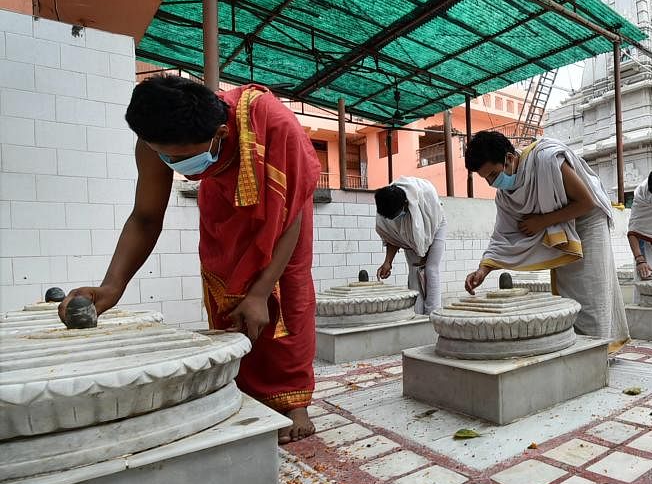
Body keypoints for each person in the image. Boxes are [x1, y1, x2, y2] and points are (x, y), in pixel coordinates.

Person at [62, 76, 321, 441]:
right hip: (222, 209)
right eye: (168, 156)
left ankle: (295, 401)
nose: (176, 164)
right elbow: (145, 216)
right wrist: (112, 286)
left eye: (183, 157)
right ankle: (244, 387)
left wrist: (262, 290)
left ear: (219, 132)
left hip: (284, 213)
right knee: (230, 303)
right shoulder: (155, 140)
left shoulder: (273, 123)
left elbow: (292, 216)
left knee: (286, 298)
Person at [462, 130, 629, 352]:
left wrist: (542, 222)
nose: (493, 182)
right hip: (556, 226)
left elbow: (586, 202)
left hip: (588, 219)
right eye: (487, 179)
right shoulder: (505, 195)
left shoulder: (546, 159)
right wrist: (483, 270)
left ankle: (597, 354)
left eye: (493, 174)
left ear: (509, 158)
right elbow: (503, 236)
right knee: (570, 293)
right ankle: (578, 350)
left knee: (592, 291)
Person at [374, 177, 447, 313]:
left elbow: (429, 227)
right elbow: (393, 236)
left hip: (436, 225)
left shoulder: (426, 194)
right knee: (414, 272)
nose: (394, 219)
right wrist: (387, 262)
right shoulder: (386, 205)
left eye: (396, 215)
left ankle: (432, 314)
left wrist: (424, 255)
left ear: (406, 204)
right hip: (413, 236)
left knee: (430, 269)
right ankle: (417, 314)